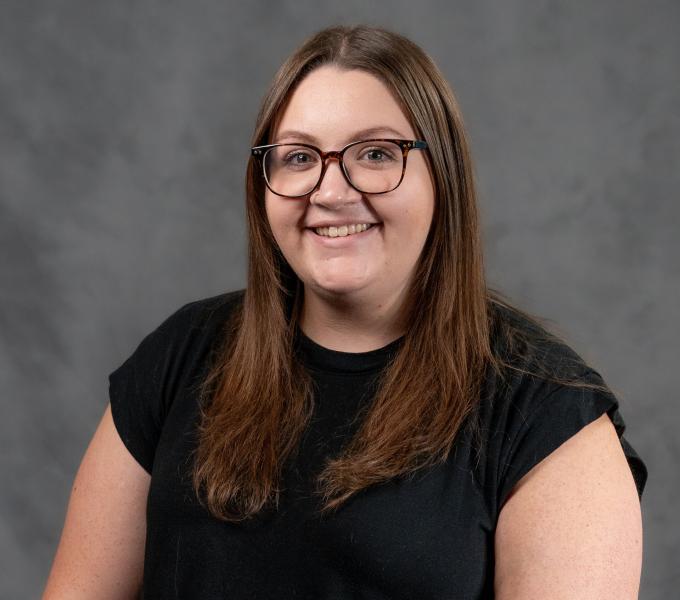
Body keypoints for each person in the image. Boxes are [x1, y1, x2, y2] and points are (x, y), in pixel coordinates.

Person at [43, 25, 648, 599]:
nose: (331, 193)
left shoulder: (546, 414)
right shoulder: (181, 357)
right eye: (299, 158)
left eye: (377, 154)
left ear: (444, 176)